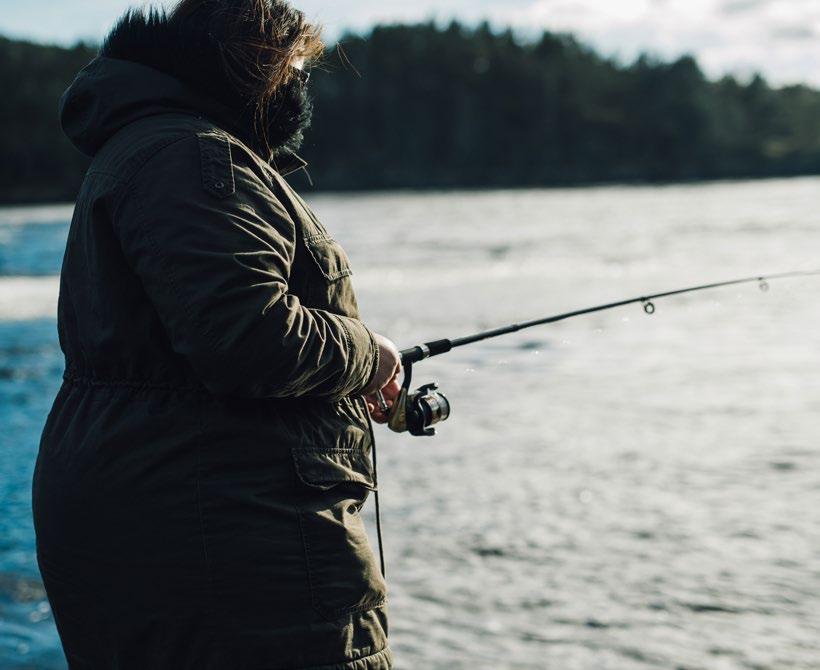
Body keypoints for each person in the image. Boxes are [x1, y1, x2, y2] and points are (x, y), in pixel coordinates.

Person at [31, 1, 401, 668]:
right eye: (293, 71)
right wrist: (371, 356)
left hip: (180, 516)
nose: (299, 89)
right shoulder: (194, 157)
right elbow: (249, 337)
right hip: (235, 540)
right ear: (254, 66)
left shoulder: (152, 149)